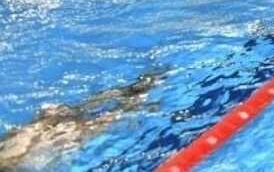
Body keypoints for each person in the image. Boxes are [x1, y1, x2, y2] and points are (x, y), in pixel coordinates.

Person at [0, 73, 162, 170]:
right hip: (32, 133)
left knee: (96, 123)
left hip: (48, 141)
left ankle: (140, 98)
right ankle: (141, 87)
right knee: (82, 112)